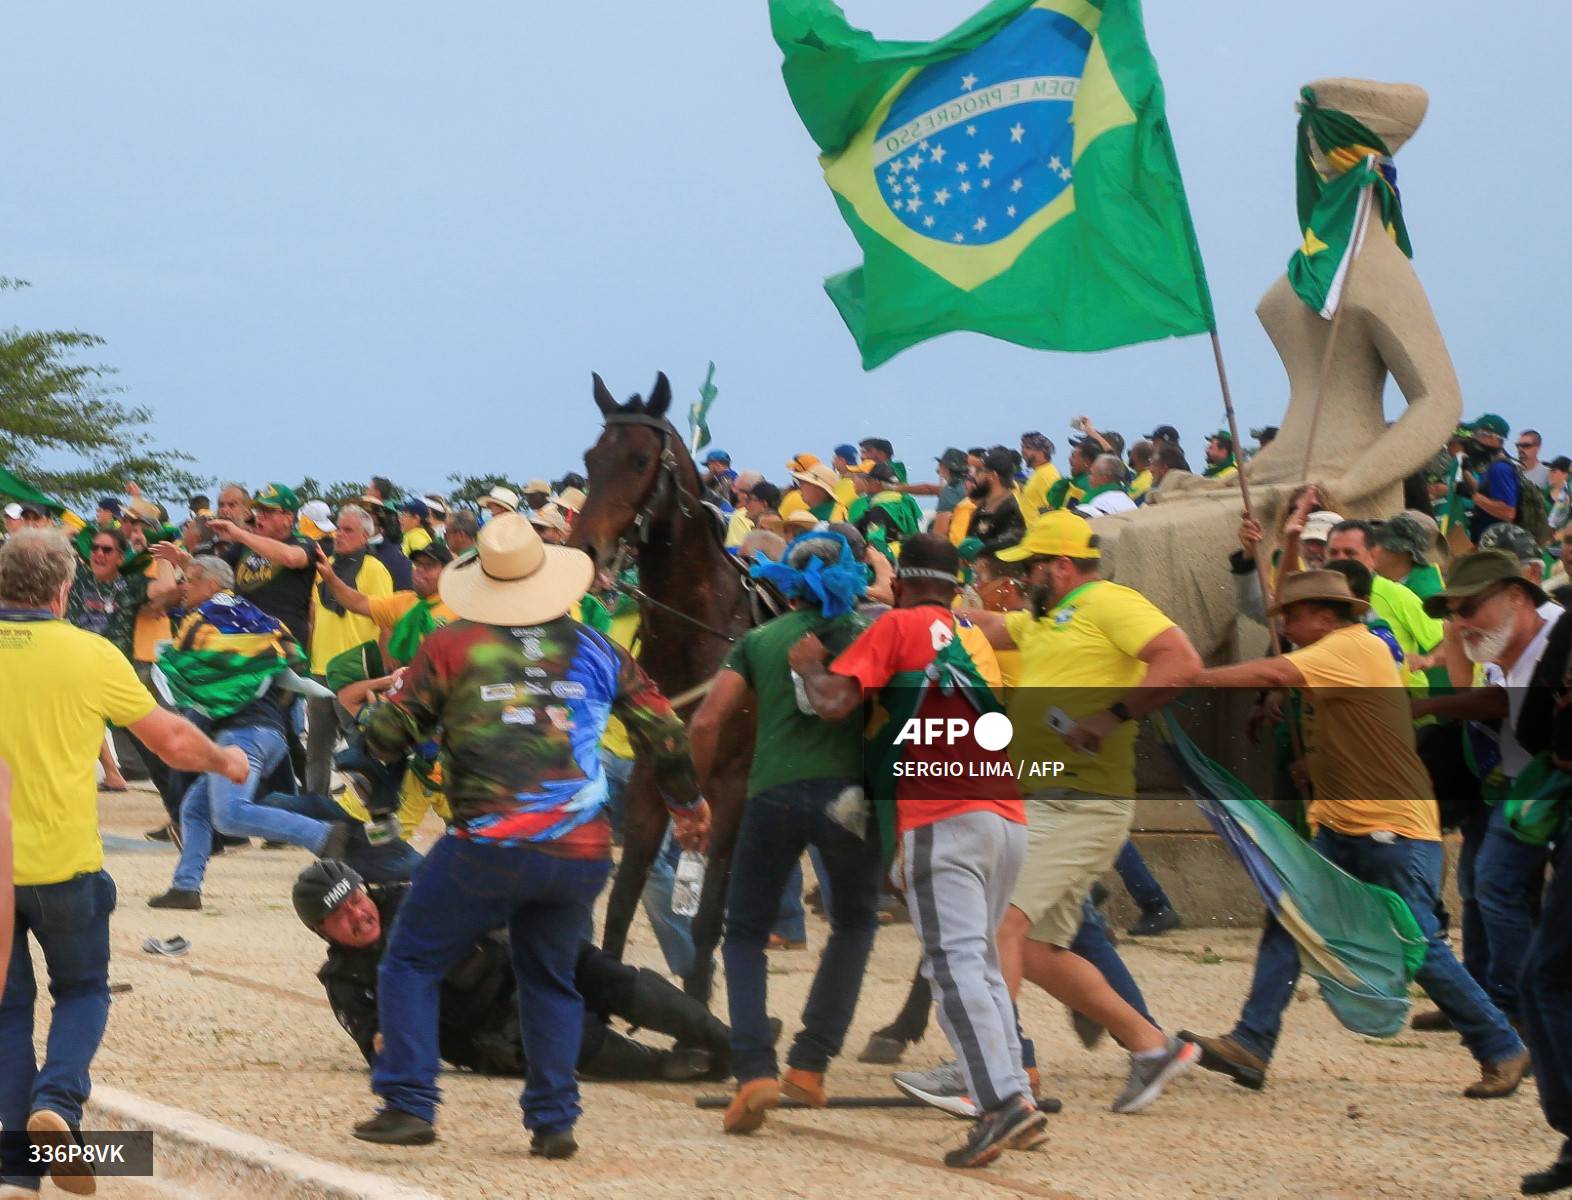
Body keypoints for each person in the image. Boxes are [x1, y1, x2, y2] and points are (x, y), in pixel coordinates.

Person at [352, 513, 709, 1156]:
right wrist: (687, 804)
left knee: (409, 959)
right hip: (580, 849)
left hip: (488, 847)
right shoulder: (601, 650)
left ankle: (409, 1101)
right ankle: (553, 1121)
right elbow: (666, 735)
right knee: (550, 976)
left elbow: (386, 737)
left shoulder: (450, 646)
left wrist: (384, 719)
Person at [1181, 568, 1529, 1098]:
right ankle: (1252, 1042)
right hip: (1347, 824)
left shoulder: (1352, 646)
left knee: (1417, 946)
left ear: (1326, 615)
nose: (1289, 627)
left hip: (1390, 828)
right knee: (1290, 919)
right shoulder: (1341, 653)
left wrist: (1192, 678)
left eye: (1294, 617)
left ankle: (1502, 1047)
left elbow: (1275, 674)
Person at [0, 530, 249, 1195]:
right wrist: (228, 760)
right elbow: (169, 741)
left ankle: (16, 1171)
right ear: (61, 591)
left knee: (5, 1011)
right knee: (82, 990)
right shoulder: (89, 653)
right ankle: (57, 1104)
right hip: (64, 863)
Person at [791, 534, 1048, 1168]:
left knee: (952, 965)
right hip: (1005, 812)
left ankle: (1001, 1106)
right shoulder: (966, 637)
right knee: (983, 963)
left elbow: (833, 702)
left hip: (942, 814)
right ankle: (1013, 1092)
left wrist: (807, 664)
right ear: (955, 589)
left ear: (900, 587)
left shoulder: (899, 625)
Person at [964, 512, 1203, 1113]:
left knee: (999, 928)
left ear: (1060, 567)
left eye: (1029, 569)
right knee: (1040, 951)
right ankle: (1153, 1047)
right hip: (1047, 798)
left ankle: (996, 1079)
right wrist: (919, 607)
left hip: (1080, 802)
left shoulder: (1111, 602)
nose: (1020, 580)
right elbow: (991, 625)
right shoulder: (1045, 619)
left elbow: (1182, 661)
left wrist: (1114, 715)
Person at [686, 532, 881, 1134]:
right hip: (846, 797)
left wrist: (691, 801)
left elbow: (706, 721)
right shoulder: (866, 635)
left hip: (769, 794)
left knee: (743, 933)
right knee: (853, 923)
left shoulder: (758, 641)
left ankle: (753, 1073)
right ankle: (810, 1063)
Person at [293, 860, 732, 1082]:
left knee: (610, 976)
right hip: (495, 1029)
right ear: (321, 930)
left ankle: (727, 1040)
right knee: (570, 1036)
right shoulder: (346, 979)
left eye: (357, 898)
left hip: (525, 964)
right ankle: (669, 1066)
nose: (358, 913)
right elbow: (378, 1051)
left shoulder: (413, 896)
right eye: (341, 914)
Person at [147, 556, 363, 910]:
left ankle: (323, 834)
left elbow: (185, 671)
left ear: (211, 585)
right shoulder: (256, 615)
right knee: (196, 809)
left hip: (243, 735)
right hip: (270, 733)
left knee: (230, 814)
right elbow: (291, 654)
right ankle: (186, 886)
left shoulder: (203, 621)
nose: (183, 587)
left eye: (189, 580)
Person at [1413, 551, 1562, 1030]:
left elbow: (1503, 702)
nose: (1460, 621)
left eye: (1469, 607)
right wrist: (1457, 631)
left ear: (1517, 596)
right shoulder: (1508, 641)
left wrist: (1426, 706)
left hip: (1543, 785)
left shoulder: (1559, 634)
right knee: (1486, 883)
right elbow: (1486, 691)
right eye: (1452, 612)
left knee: (1495, 883)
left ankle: (1517, 1009)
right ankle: (1488, 1002)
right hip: (1515, 780)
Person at [307, 506, 394, 794]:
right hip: (320, 669)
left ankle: (373, 804)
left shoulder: (374, 569)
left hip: (353, 671)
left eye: (348, 530)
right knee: (317, 749)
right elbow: (315, 616)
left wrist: (382, 668)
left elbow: (385, 621)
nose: (339, 535)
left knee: (360, 746)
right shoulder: (325, 564)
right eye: (338, 529)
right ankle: (314, 809)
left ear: (365, 536)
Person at [315, 540, 457, 667]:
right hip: (407, 688)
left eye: (429, 566)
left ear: (446, 572)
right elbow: (357, 602)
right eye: (417, 565)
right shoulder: (404, 601)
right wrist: (330, 577)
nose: (419, 570)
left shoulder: (458, 608)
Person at [1459, 414, 1520, 545]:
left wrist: (1472, 495)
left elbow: (1508, 512)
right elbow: (1487, 493)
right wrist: (1466, 472)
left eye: (1477, 434)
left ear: (1493, 438)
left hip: (1496, 548)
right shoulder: (1491, 468)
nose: (1472, 438)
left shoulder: (1500, 469)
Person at [963, 450, 1025, 557]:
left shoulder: (1012, 512)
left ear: (992, 476)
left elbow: (1009, 548)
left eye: (978, 471)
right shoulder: (981, 510)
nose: (973, 476)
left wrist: (979, 549)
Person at [1372, 512, 1445, 601]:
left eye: (1378, 544)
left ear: (1400, 551)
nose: (1371, 549)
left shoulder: (1426, 594)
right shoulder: (1384, 579)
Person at [1017, 432, 1060, 528]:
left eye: (1028, 448)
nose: (1022, 451)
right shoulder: (1039, 473)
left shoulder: (1047, 474)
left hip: (1041, 534)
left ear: (1041, 452)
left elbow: (1053, 508)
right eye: (1022, 447)